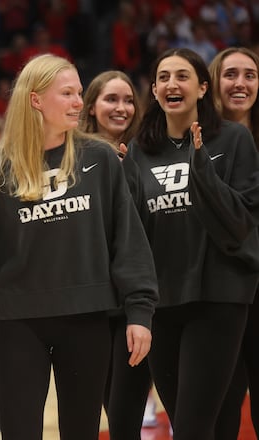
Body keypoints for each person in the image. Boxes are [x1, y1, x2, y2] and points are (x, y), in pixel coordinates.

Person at [0, 54, 158, 440]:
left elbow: (128, 242)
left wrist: (140, 310)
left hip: (86, 320)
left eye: (79, 93)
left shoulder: (100, 159)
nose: (78, 103)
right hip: (19, 324)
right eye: (67, 93)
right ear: (36, 100)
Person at [123, 47, 259, 440]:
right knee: (198, 422)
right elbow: (133, 233)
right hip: (162, 303)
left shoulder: (233, 140)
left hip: (217, 299)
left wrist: (201, 164)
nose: (172, 84)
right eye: (163, 77)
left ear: (202, 88)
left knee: (192, 427)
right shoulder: (139, 150)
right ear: (154, 89)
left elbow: (239, 223)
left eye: (182, 76)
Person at [81, 70, 157, 438]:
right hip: (86, 308)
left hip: (131, 308)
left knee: (125, 419)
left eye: (128, 100)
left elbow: (140, 231)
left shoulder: (142, 156)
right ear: (91, 106)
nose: (122, 108)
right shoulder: (71, 158)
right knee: (88, 416)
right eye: (111, 99)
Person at [209, 46, 259, 439]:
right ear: (212, 81)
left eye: (250, 74)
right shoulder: (191, 140)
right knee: (219, 404)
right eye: (231, 74)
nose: (240, 83)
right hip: (216, 287)